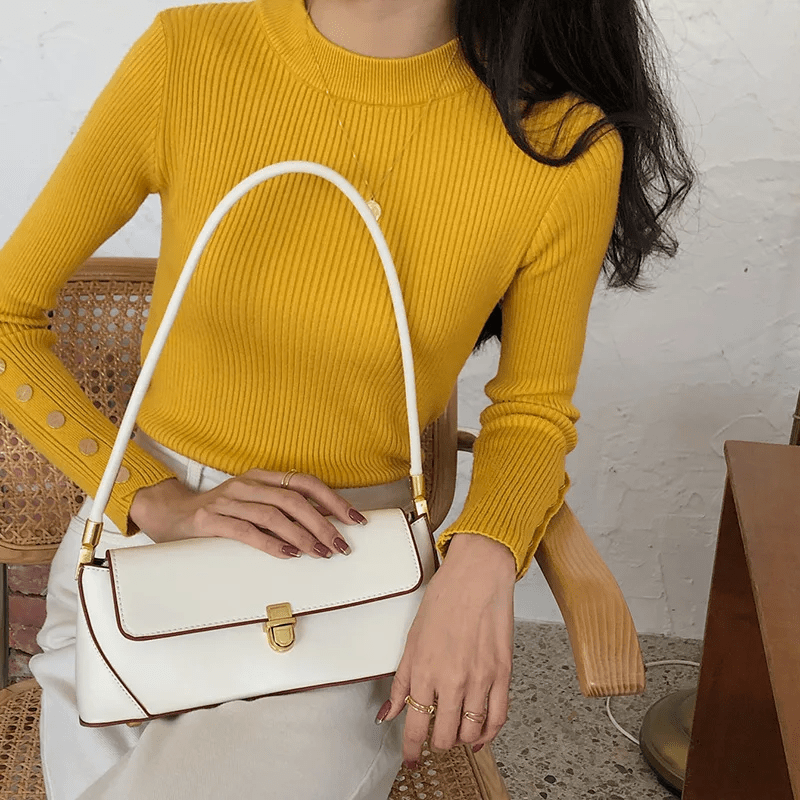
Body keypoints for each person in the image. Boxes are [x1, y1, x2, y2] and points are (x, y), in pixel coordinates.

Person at [0, 0, 694, 797]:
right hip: (134, 565)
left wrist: (482, 558)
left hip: (346, 582)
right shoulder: (187, 57)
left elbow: (532, 414)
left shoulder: (560, 145)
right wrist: (149, 497)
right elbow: (8, 317)